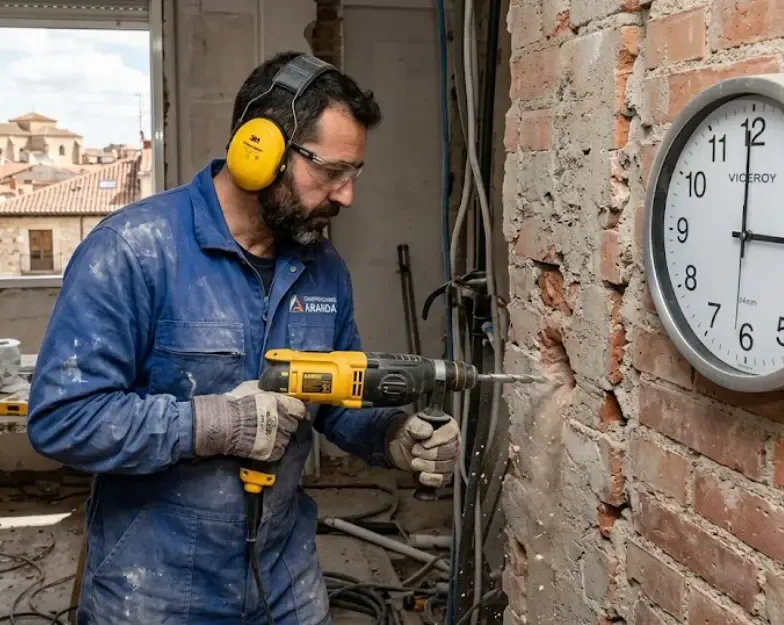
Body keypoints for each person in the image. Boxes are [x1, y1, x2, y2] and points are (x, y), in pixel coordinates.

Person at [26, 51, 461, 625]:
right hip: (155, 590)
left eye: (353, 175)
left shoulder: (323, 265)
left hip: (286, 584)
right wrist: (214, 424)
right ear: (260, 151)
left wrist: (394, 436)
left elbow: (333, 399)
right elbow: (62, 419)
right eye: (330, 172)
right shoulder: (134, 250)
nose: (346, 196)